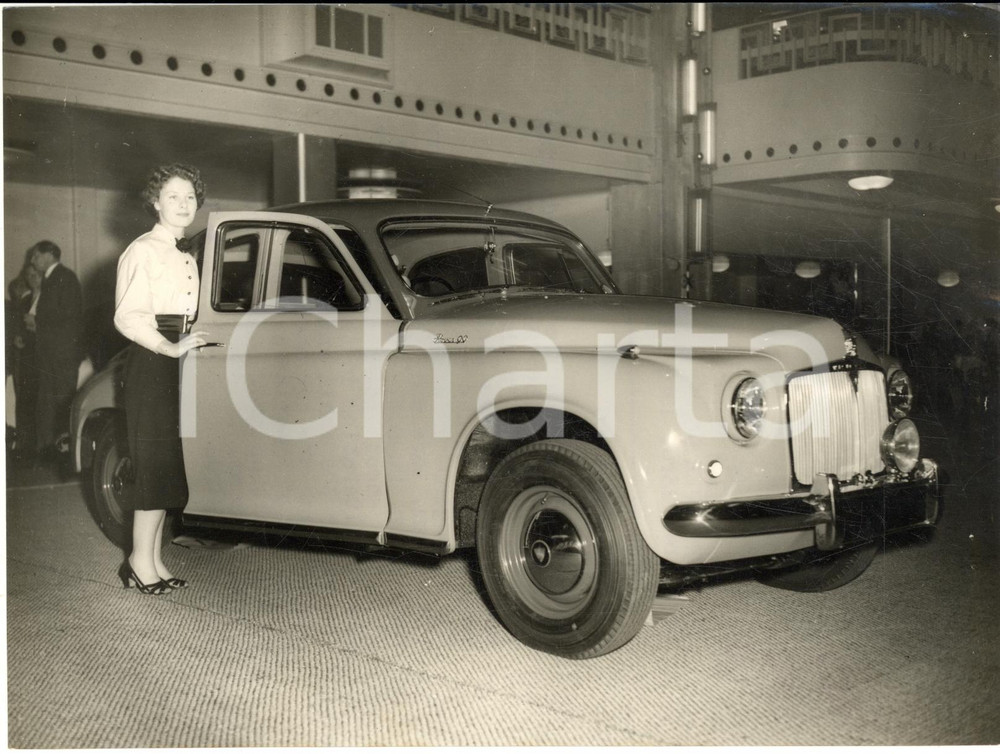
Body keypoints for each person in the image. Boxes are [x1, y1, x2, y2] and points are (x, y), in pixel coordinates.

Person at [114, 163, 210, 595]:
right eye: (173, 196)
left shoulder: (184, 253)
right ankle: (138, 561)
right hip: (153, 359)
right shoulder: (143, 250)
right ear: (155, 202)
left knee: (167, 466)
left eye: (190, 197)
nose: (183, 204)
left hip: (175, 357)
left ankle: (152, 559)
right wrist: (171, 346)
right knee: (152, 465)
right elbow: (128, 316)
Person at [29, 240, 83, 462]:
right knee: (50, 401)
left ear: (49, 254)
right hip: (52, 353)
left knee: (61, 401)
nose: (32, 261)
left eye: (35, 256)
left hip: (62, 354)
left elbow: (70, 315)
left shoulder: (64, 277)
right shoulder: (51, 279)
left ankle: (62, 453)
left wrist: (37, 321)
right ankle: (51, 451)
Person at [7, 255, 43, 460]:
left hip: (41, 358)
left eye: (36, 274)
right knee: (25, 401)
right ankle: (25, 447)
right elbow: (19, 327)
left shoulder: (46, 298)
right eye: (29, 275)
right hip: (26, 357)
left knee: (37, 401)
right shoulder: (26, 300)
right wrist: (18, 337)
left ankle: (37, 447)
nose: (32, 278)